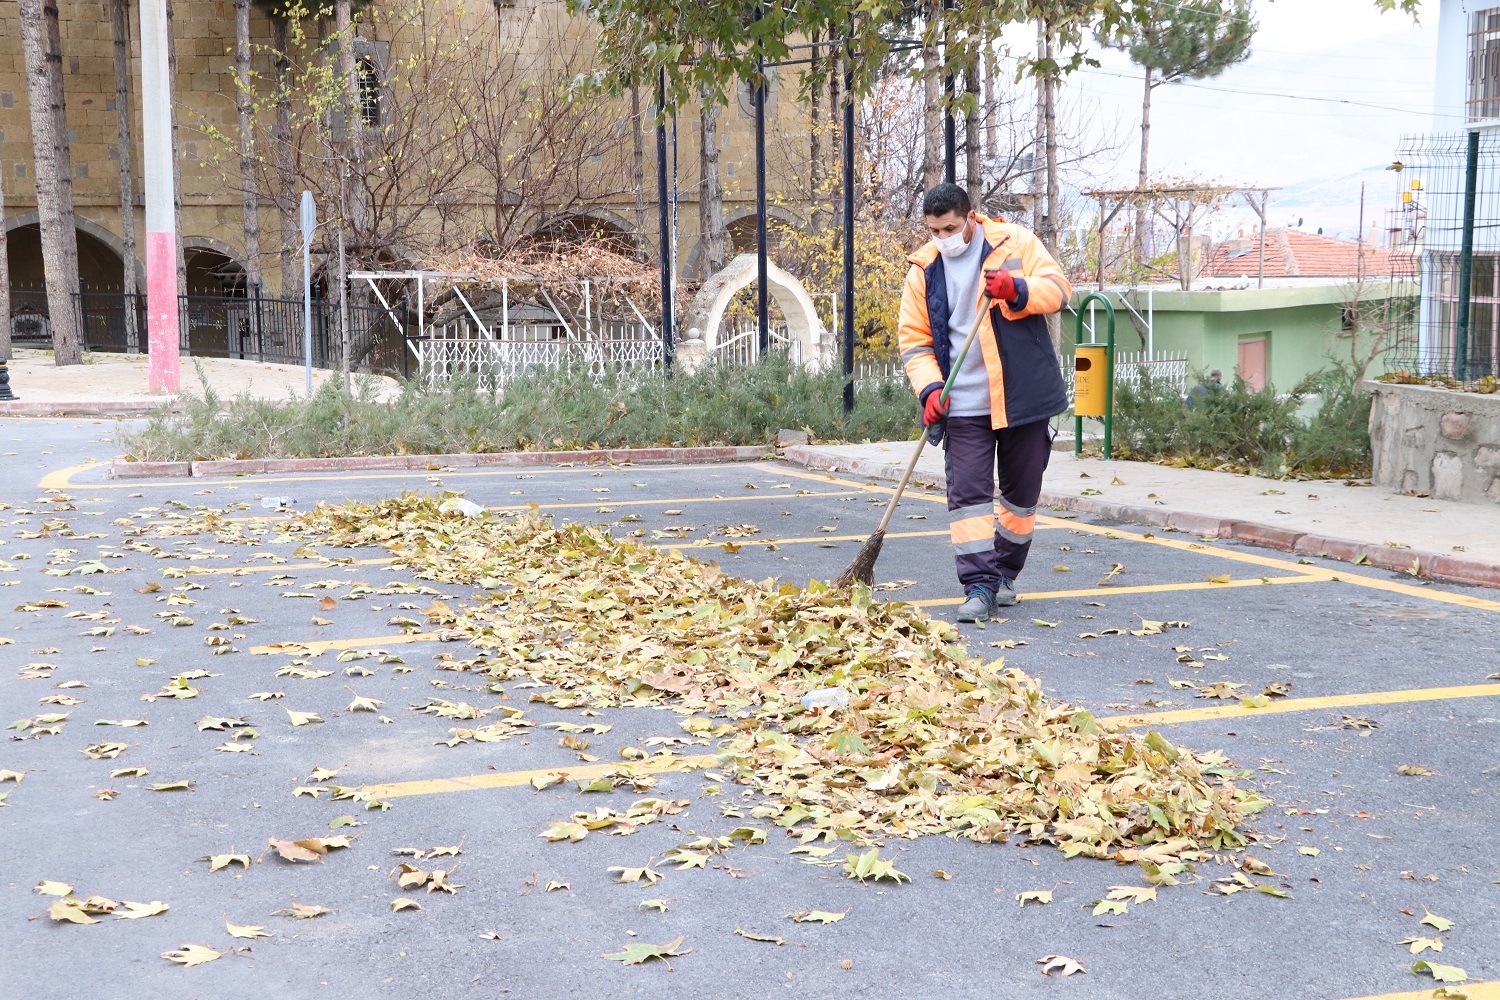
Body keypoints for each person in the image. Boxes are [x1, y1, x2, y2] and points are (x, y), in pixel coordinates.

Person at [897, 182, 1073, 623]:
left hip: (1022, 396)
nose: (942, 237)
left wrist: (1017, 288)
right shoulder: (923, 269)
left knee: (1021, 494)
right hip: (963, 405)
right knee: (968, 497)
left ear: (970, 217)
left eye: (950, 228)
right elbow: (914, 343)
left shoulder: (1015, 243)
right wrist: (931, 390)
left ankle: (1005, 574)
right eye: (934, 230)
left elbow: (1059, 290)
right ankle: (978, 585)